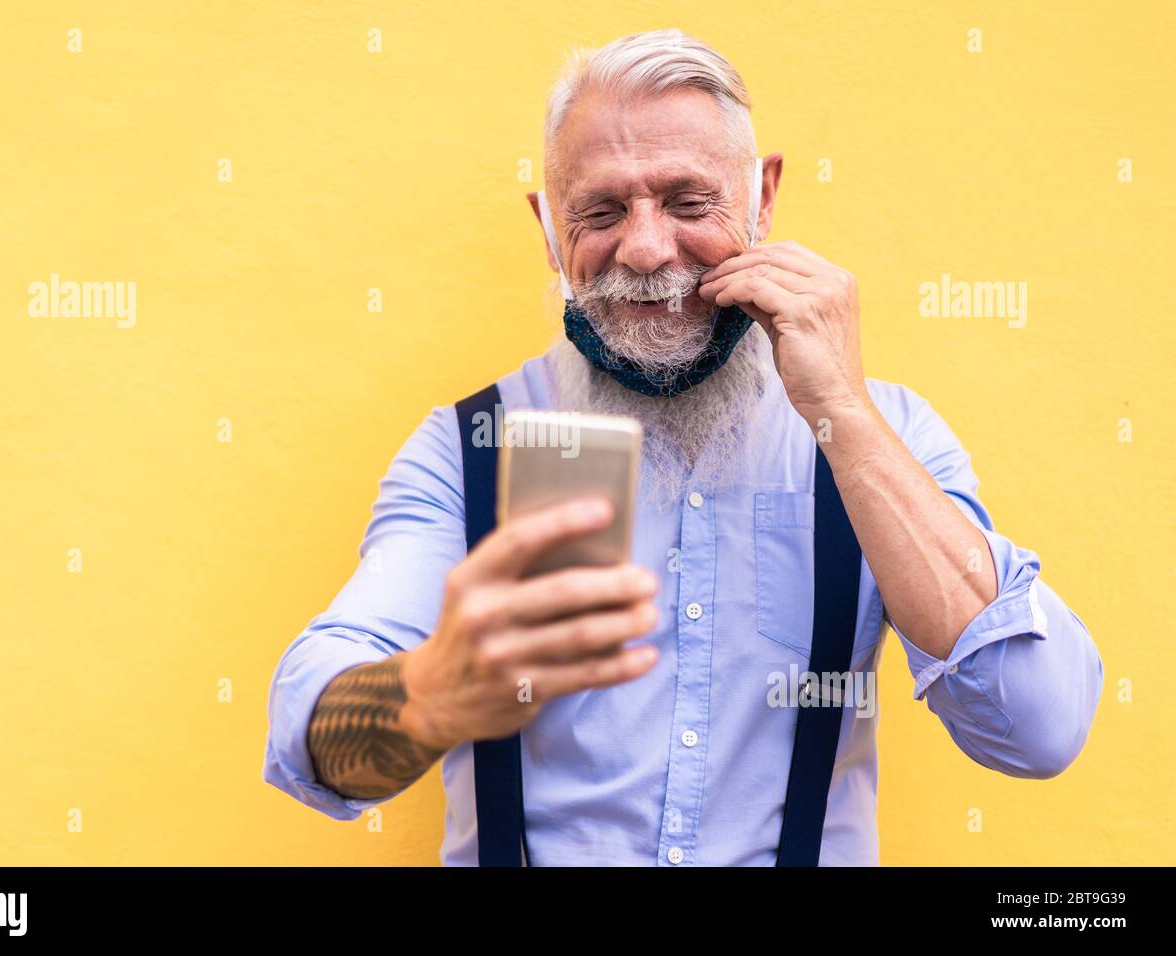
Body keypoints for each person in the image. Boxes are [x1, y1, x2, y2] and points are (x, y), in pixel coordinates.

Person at [262, 29, 1103, 866]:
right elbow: (312, 735)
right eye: (600, 211)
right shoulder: (469, 450)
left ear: (762, 197)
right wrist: (432, 693)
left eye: (688, 202)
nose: (646, 249)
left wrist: (840, 410)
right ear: (549, 229)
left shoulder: (890, 436)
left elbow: (1038, 729)